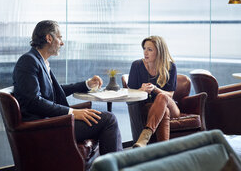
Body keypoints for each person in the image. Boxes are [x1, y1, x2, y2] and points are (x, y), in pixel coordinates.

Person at [13, 20, 122, 155]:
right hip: (44, 127)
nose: (62, 43)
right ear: (49, 38)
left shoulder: (40, 61)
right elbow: (33, 102)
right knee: (108, 120)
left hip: (51, 121)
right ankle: (113, 165)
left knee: (105, 118)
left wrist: (86, 84)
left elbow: (54, 91)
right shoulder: (28, 61)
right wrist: (72, 112)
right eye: (59, 38)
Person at [127, 35, 179, 147]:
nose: (145, 52)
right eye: (144, 49)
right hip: (150, 108)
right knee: (164, 112)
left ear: (159, 52)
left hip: (172, 107)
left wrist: (155, 89)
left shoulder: (170, 67)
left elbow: (170, 95)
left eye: (150, 50)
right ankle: (163, 151)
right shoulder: (136, 65)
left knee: (163, 97)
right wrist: (142, 90)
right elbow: (130, 93)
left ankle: (144, 137)